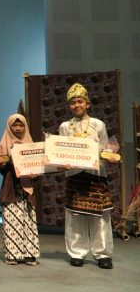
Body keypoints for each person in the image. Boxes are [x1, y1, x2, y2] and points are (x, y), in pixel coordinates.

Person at [60, 83, 118, 269]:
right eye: (72, 103)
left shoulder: (98, 124)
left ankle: (103, 254)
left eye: (80, 101)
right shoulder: (65, 127)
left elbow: (105, 148)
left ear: (88, 104)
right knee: (75, 216)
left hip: (95, 175)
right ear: (69, 106)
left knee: (100, 216)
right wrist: (63, 161)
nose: (76, 105)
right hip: (75, 174)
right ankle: (77, 253)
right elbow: (61, 151)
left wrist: (110, 156)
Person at [0, 114, 40, 266]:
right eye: (15, 125)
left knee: (29, 220)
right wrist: (1, 164)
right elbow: (2, 169)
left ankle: (30, 254)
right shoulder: (3, 145)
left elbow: (38, 168)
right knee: (11, 220)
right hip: (11, 187)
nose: (18, 128)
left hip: (27, 188)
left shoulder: (31, 144)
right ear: (9, 127)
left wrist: (35, 174)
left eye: (21, 125)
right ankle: (12, 254)